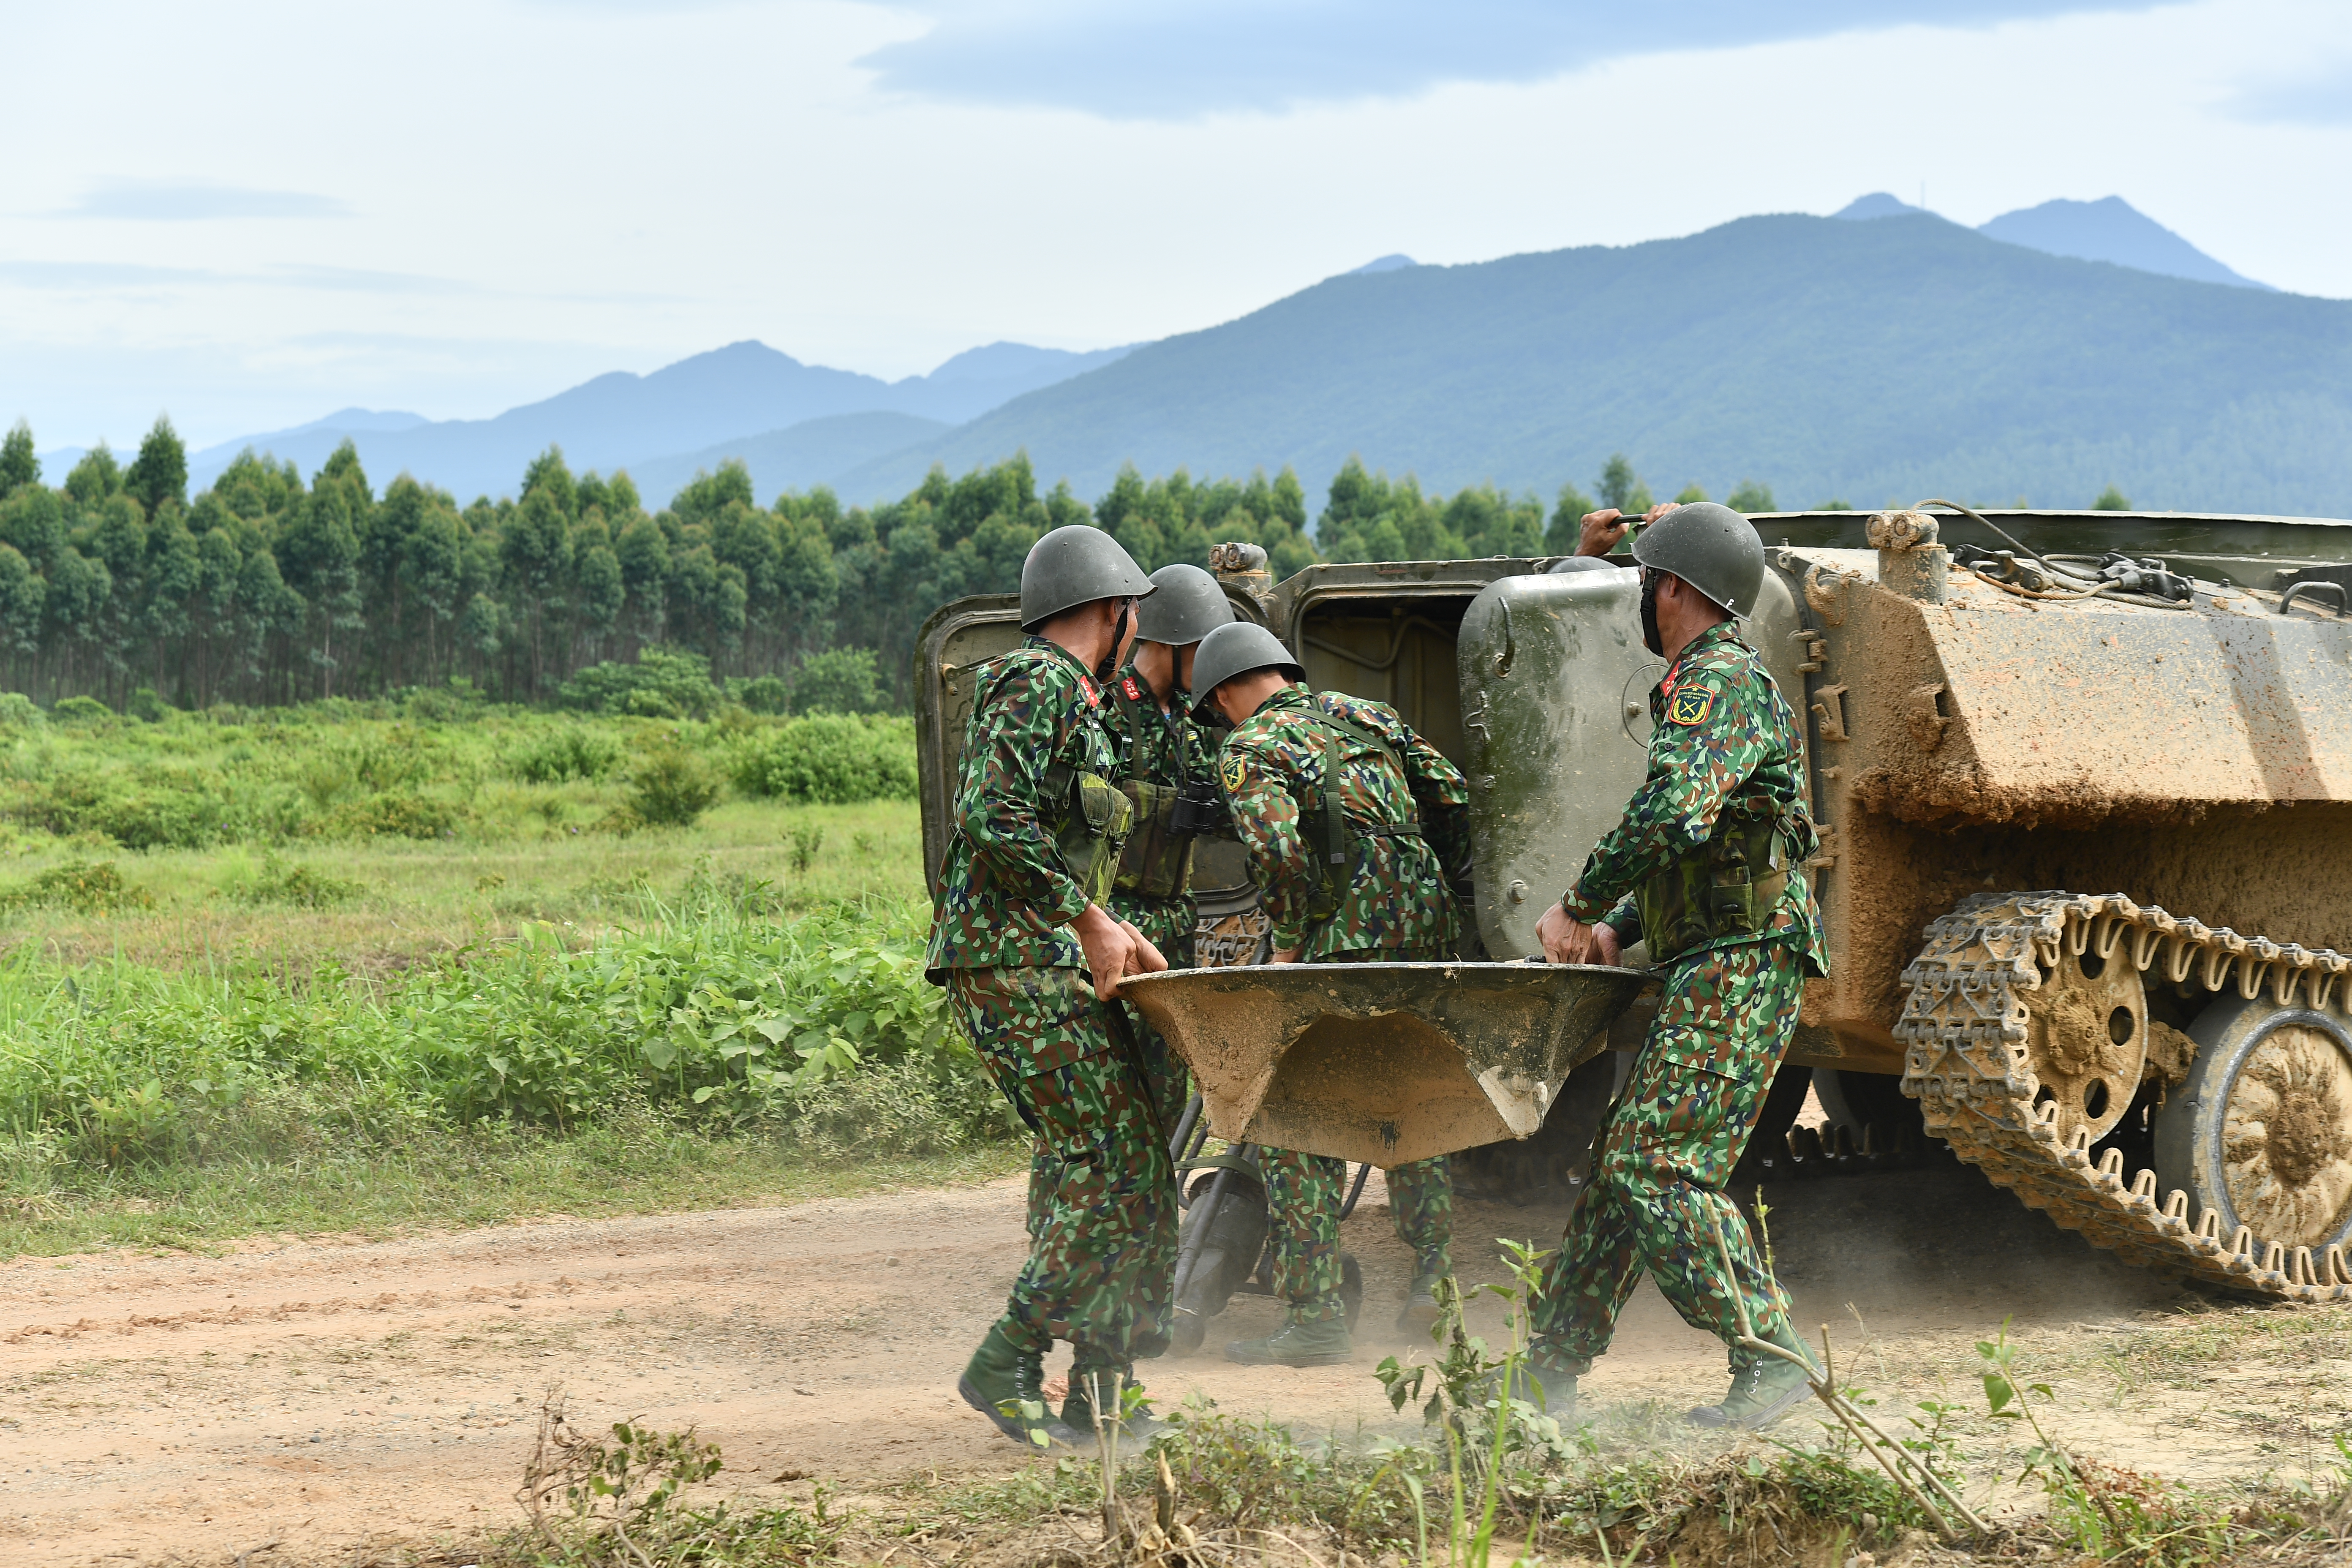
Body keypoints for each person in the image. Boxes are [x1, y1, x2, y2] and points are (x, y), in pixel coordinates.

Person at [1523, 499, 1829, 1431]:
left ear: (1676, 589)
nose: (1641, 597)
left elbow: (1669, 814)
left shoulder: (1718, 681)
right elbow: (1699, 840)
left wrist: (1577, 907)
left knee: (1658, 1166)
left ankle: (1773, 1360)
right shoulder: (1706, 685)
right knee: (1625, 1166)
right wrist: (1621, 922)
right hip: (1713, 957)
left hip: (1743, 961)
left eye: (1648, 578)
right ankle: (1546, 1369)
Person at [926, 524, 1178, 1448]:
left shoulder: (1071, 695)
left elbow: (1046, 832)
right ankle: (1009, 1357)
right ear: (1114, 612)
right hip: (1012, 960)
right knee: (1106, 1163)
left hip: (1045, 955)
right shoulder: (1036, 683)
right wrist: (1086, 917)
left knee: (1142, 1166)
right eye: (1134, 615)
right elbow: (989, 814)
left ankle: (1105, 1387)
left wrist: (1108, 923)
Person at [1186, 620, 1469, 1367]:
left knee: (1293, 1117)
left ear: (1223, 695)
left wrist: (1291, 935)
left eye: (1215, 711)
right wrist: (1430, 892)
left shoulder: (1249, 748)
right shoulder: (1366, 715)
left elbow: (1278, 850)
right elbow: (1453, 797)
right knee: (1412, 1106)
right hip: (1426, 935)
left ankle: (1315, 1318)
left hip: (1338, 948)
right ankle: (1432, 1287)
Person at [1106, 564, 1235, 1128]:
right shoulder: (1109, 705)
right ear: (1174, 645)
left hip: (1177, 921)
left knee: (1163, 1086)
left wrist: (1212, 808)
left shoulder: (1188, 718)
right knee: (1110, 1085)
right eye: (1203, 648)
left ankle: (1153, 1207)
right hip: (1119, 921)